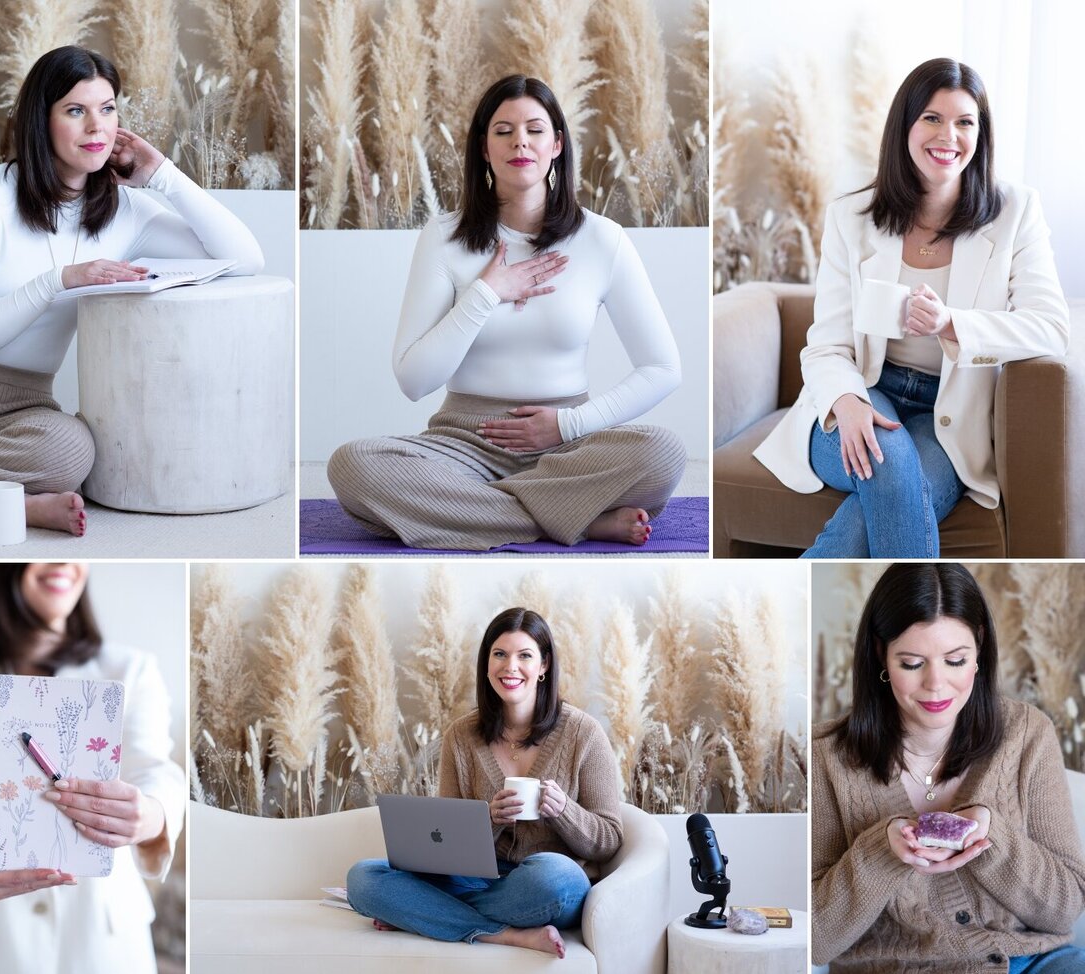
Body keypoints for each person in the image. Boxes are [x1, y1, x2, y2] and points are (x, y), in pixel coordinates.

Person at [0, 46, 264, 537]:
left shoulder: (127, 212)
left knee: (70, 451)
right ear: (40, 120)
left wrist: (162, 176)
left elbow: (245, 258)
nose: (97, 127)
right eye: (76, 111)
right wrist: (61, 280)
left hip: (18, 412)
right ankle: (16, 505)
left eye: (107, 109)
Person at [328, 75, 686, 551]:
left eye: (535, 129)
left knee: (664, 453)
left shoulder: (603, 240)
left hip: (569, 446)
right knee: (352, 465)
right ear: (483, 148)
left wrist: (566, 425)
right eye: (503, 130)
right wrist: (485, 294)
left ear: (557, 144)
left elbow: (663, 369)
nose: (520, 140)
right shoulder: (444, 237)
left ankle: (479, 512)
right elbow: (413, 381)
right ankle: (576, 521)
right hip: (462, 444)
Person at [753, 58, 1070, 557]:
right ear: (905, 125)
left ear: (980, 135)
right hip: (861, 391)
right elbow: (827, 346)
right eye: (932, 118)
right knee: (890, 466)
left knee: (879, 500)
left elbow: (1052, 328)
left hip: (948, 414)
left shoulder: (1016, 212)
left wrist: (952, 324)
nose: (949, 135)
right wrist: (847, 401)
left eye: (965, 122)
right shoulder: (851, 217)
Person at [0, 563, 184, 973]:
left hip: (101, 943)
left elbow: (155, 770)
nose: (62, 563)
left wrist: (151, 815)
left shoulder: (131, 670)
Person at [812, 563, 1085, 973]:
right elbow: (816, 939)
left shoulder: (1028, 735)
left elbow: (1065, 910)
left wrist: (992, 834)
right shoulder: (825, 758)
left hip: (1030, 962)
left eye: (956, 660)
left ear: (979, 652)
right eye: (912, 663)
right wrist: (883, 851)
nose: (936, 684)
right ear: (879, 655)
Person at [346, 607, 622, 957]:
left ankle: (425, 915)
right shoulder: (461, 736)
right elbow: (442, 849)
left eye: (525, 655)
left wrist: (564, 811)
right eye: (500, 654)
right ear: (487, 664)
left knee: (557, 878)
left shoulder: (583, 733)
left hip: (542, 887)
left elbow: (610, 839)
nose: (510, 667)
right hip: (478, 880)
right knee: (363, 880)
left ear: (544, 665)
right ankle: (502, 934)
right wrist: (487, 821)